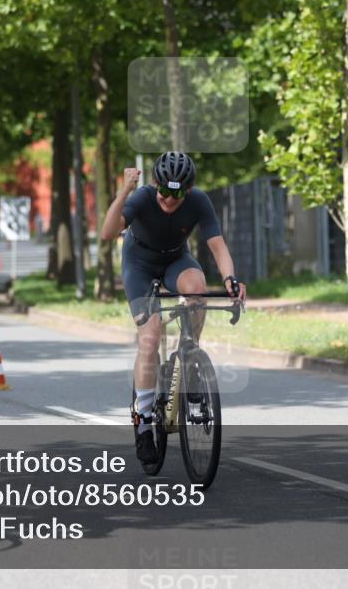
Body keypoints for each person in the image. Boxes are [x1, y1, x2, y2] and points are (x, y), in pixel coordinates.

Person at [100, 151, 247, 465]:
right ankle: (143, 422)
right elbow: (107, 233)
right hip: (139, 263)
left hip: (176, 259)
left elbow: (218, 246)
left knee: (197, 288)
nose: (169, 199)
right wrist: (124, 191)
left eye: (177, 193)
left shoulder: (199, 202)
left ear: (189, 190)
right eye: (164, 191)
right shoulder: (142, 198)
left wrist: (231, 279)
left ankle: (189, 356)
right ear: (155, 184)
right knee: (150, 338)